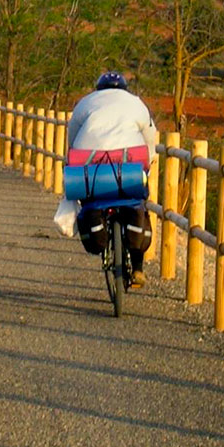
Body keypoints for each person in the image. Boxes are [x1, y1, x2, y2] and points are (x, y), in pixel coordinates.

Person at [65, 71, 157, 287]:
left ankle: (100, 232)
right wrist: (149, 162)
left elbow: (72, 138)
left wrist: (71, 161)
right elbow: (150, 139)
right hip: (128, 165)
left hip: (92, 166)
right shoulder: (136, 103)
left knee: (90, 198)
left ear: (99, 88)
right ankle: (138, 269)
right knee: (139, 204)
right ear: (123, 88)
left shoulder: (85, 103)